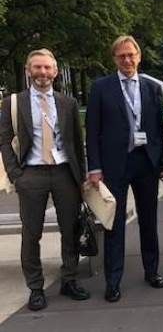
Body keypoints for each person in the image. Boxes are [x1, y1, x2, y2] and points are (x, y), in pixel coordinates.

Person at [0, 49, 90, 311]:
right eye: (37, 68)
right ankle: (36, 288)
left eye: (47, 68)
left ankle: (69, 279)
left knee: (70, 231)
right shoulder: (12, 102)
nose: (42, 73)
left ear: (55, 72)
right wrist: (17, 175)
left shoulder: (67, 103)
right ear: (29, 71)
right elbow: (4, 140)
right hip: (32, 175)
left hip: (64, 173)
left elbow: (75, 142)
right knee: (31, 234)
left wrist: (81, 177)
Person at [86, 36, 163, 302]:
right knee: (114, 223)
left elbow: (159, 128)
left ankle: (152, 271)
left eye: (131, 55)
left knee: (149, 220)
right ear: (114, 59)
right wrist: (94, 167)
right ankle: (113, 281)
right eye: (121, 56)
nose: (127, 60)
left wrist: (161, 161)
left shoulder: (152, 88)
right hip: (114, 165)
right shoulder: (100, 88)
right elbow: (92, 131)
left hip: (146, 163)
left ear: (139, 56)